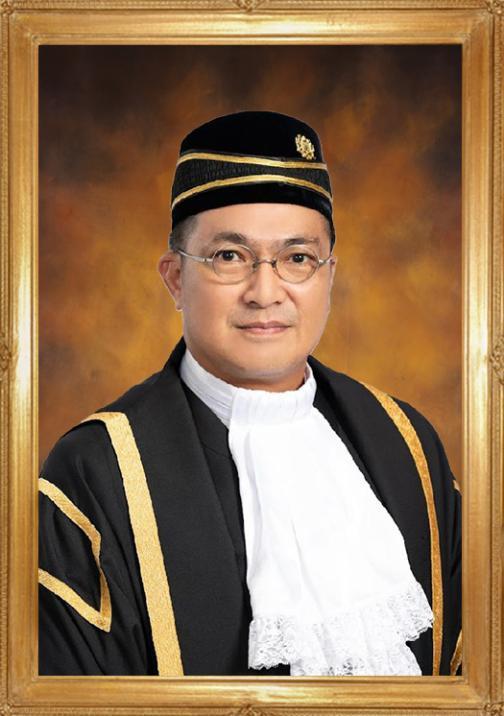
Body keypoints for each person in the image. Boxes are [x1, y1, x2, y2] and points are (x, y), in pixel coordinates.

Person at [39, 110, 461, 677]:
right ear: (175, 278)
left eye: (298, 259)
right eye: (229, 257)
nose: (266, 292)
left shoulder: (407, 445)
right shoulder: (94, 473)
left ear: (329, 277)